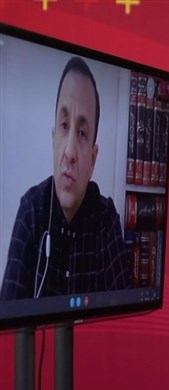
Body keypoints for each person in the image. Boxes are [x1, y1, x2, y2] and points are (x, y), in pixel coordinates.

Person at [1, 56, 131, 300]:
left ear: (93, 160)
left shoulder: (106, 220)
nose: (69, 152)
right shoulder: (31, 211)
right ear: (53, 140)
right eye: (64, 125)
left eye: (82, 133)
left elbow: (123, 315)